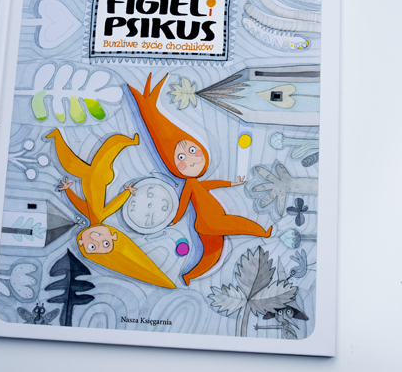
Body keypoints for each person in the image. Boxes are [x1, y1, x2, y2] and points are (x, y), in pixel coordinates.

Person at [129, 74, 272, 285]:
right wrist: (175, 219)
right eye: (180, 157)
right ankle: (261, 232)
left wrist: (232, 183)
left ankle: (189, 275)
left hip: (209, 223)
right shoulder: (189, 185)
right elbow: (183, 203)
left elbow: (212, 185)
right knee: (234, 225)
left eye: (191, 150)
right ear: (172, 164)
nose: (190, 159)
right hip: (211, 221)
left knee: (213, 253)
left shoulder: (197, 184)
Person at [46, 128, 175, 289]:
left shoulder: (90, 214)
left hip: (90, 177)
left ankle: (58, 137)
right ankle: (126, 142)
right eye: (105, 243)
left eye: (92, 246)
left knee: (76, 162)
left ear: (81, 243)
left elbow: (79, 203)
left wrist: (67, 190)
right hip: (98, 177)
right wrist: (126, 193)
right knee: (105, 154)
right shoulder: (100, 214)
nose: (96, 238)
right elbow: (114, 205)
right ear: (114, 236)